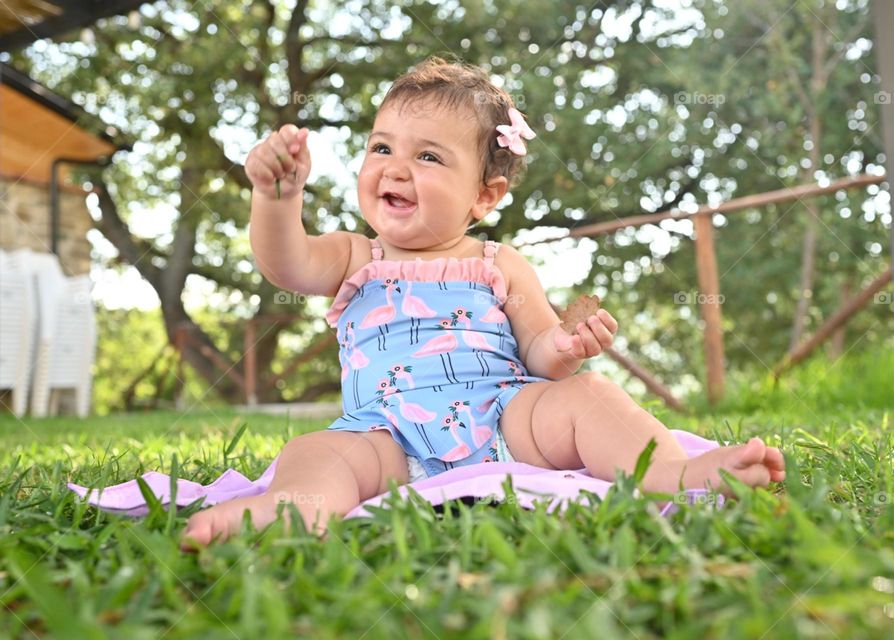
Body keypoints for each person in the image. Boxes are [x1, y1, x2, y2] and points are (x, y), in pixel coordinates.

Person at [181, 58, 785, 548]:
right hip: (385, 435)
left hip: (501, 420)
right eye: (382, 148)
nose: (394, 169)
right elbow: (284, 262)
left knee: (591, 395)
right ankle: (298, 507)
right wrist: (278, 200)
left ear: (484, 195)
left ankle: (672, 474)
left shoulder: (500, 264)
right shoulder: (354, 256)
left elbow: (542, 353)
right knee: (314, 451)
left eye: (428, 157)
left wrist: (568, 346)